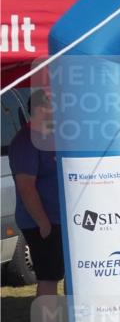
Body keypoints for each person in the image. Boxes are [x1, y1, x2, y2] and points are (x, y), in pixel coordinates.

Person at [9, 90, 63, 298]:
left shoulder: (50, 137)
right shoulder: (26, 140)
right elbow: (25, 186)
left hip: (60, 219)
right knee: (49, 277)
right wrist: (44, 223)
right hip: (43, 222)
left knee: (68, 272)